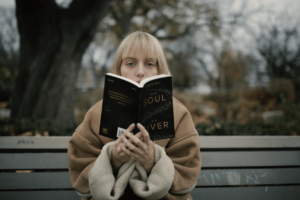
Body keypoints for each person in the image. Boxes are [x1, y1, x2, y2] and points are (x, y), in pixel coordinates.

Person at [68, 31, 201, 200]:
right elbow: (81, 164)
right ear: (119, 69)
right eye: (130, 63)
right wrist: (113, 160)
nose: (140, 72)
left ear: (160, 69)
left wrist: (153, 162)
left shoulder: (178, 114)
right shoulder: (96, 114)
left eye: (149, 64)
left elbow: (186, 171)